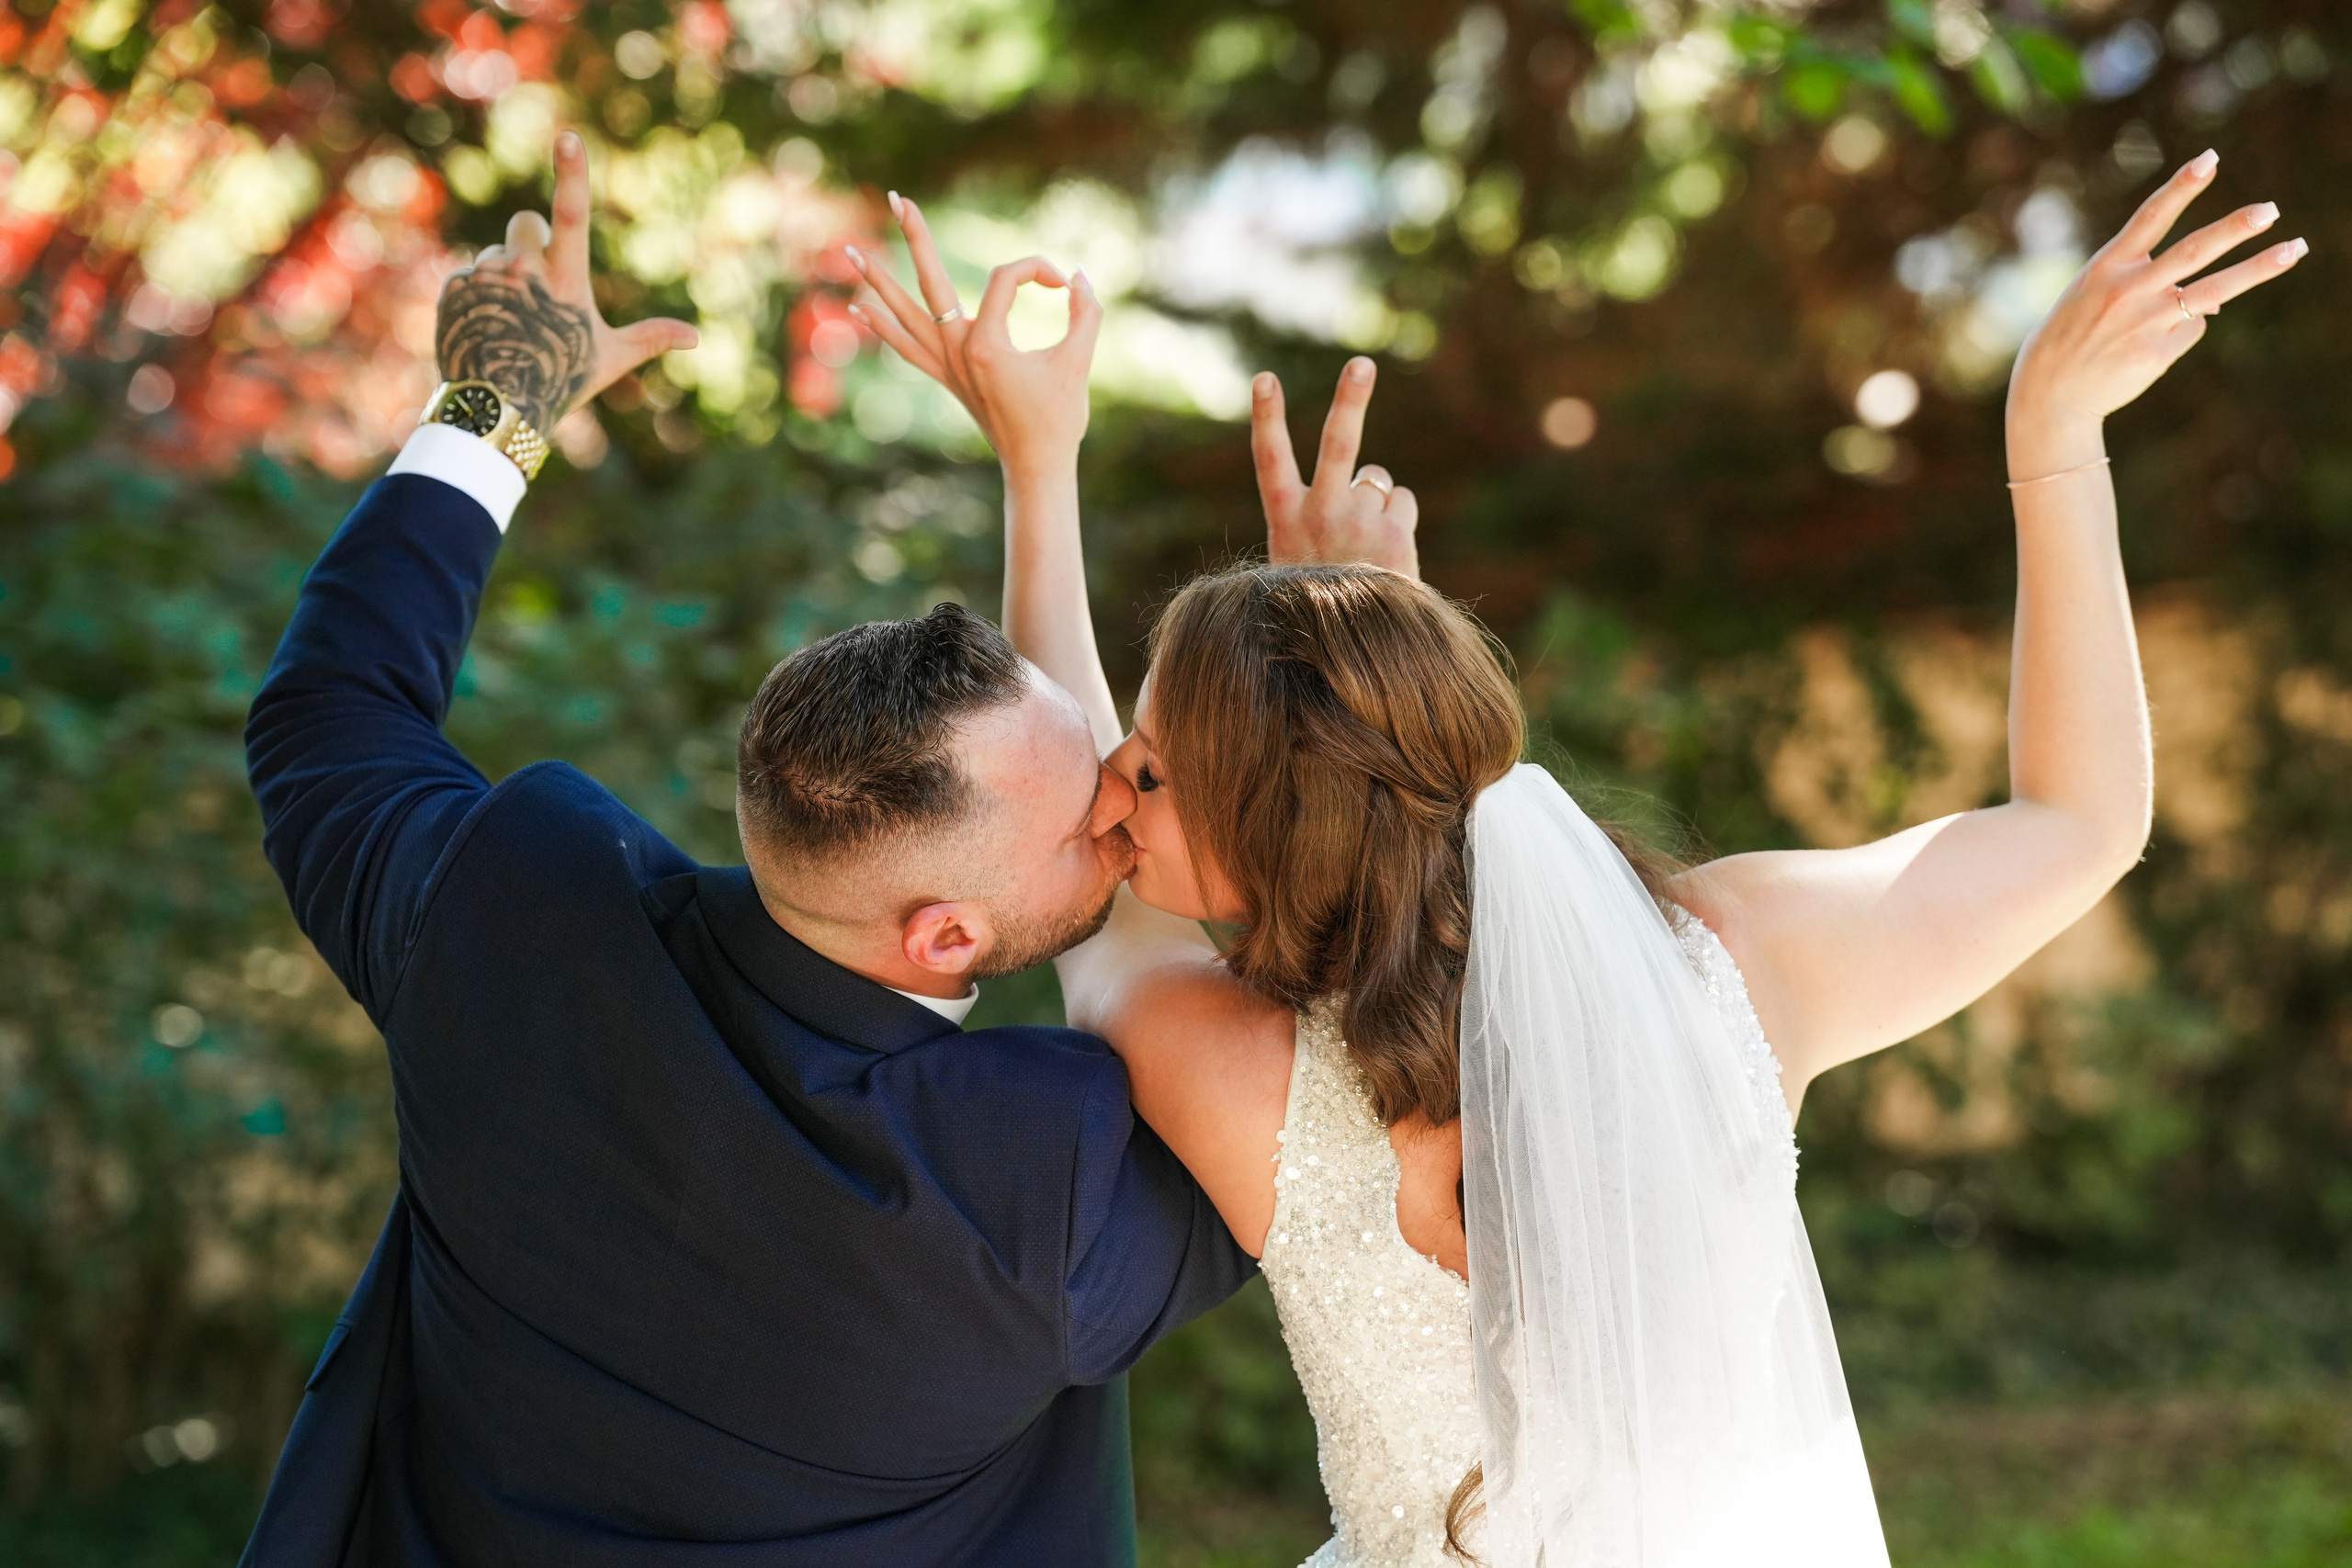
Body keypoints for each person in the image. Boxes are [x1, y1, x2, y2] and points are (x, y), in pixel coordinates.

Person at [850, 151, 2303, 1566]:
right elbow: (2079, 825)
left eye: (1152, 770)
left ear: (1282, 836)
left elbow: (1107, 912)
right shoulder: (1731, 971)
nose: (1107, 788)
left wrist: (1039, 462)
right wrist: (2055, 436)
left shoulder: (1229, 1073)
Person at [239, 132, 1253, 1567]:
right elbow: (1278, 1071)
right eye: (1090, 811)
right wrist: (1364, 717)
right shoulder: (1042, 1180)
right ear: (943, 937)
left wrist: (495, 403)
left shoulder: (512, 921)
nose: (1121, 808)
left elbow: (329, 711)